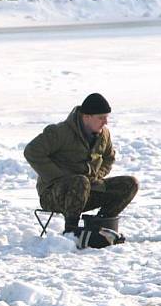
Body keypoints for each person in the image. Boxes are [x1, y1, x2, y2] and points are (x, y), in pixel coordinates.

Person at [24, 93, 139, 235]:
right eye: (101, 118)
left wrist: (98, 174)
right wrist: (57, 177)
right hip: (55, 195)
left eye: (106, 117)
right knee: (80, 181)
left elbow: (109, 158)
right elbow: (32, 151)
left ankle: (100, 225)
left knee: (130, 183)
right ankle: (71, 232)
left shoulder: (104, 135)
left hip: (88, 189)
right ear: (86, 117)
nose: (105, 122)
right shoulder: (60, 132)